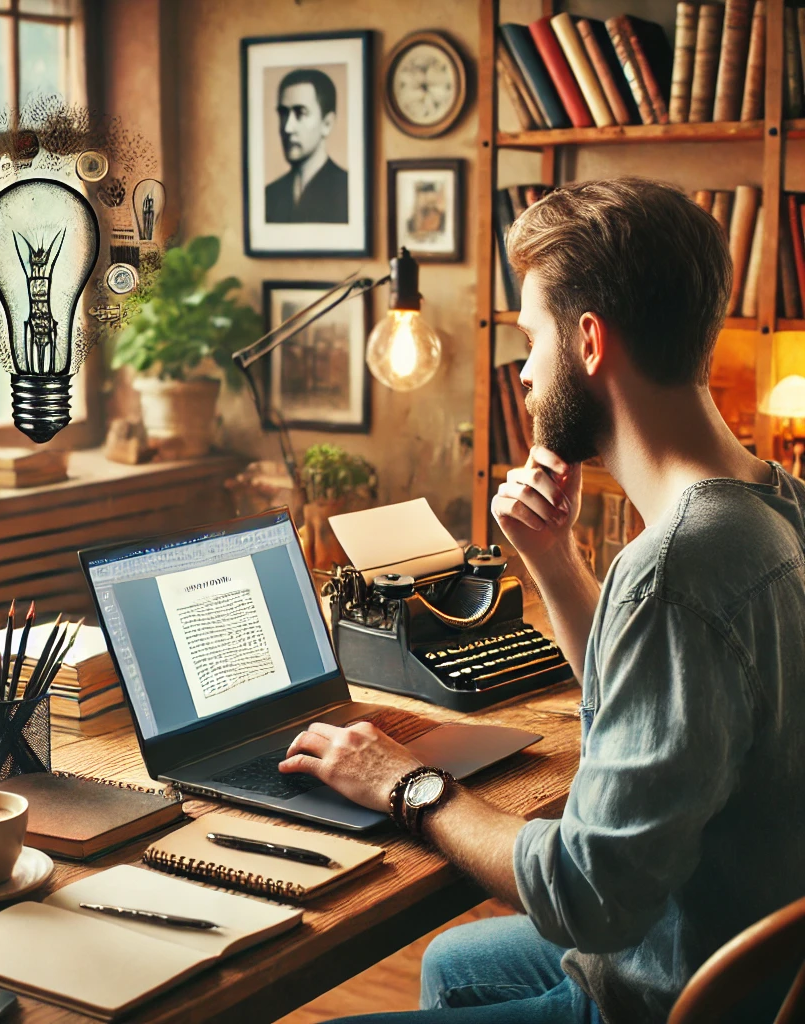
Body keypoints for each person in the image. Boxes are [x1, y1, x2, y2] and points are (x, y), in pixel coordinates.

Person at [279, 177, 805, 1024]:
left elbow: (587, 898)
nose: (524, 375)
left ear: (590, 341)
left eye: (532, 339)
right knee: (455, 958)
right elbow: (661, 701)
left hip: (681, 990)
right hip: (736, 941)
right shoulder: (778, 502)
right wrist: (553, 562)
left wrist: (409, 783)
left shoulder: (675, 565)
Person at [265, 68, 348, 224]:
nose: (287, 128)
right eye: (283, 114)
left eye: (300, 113)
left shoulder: (347, 190)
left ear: (327, 124)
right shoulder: (270, 194)